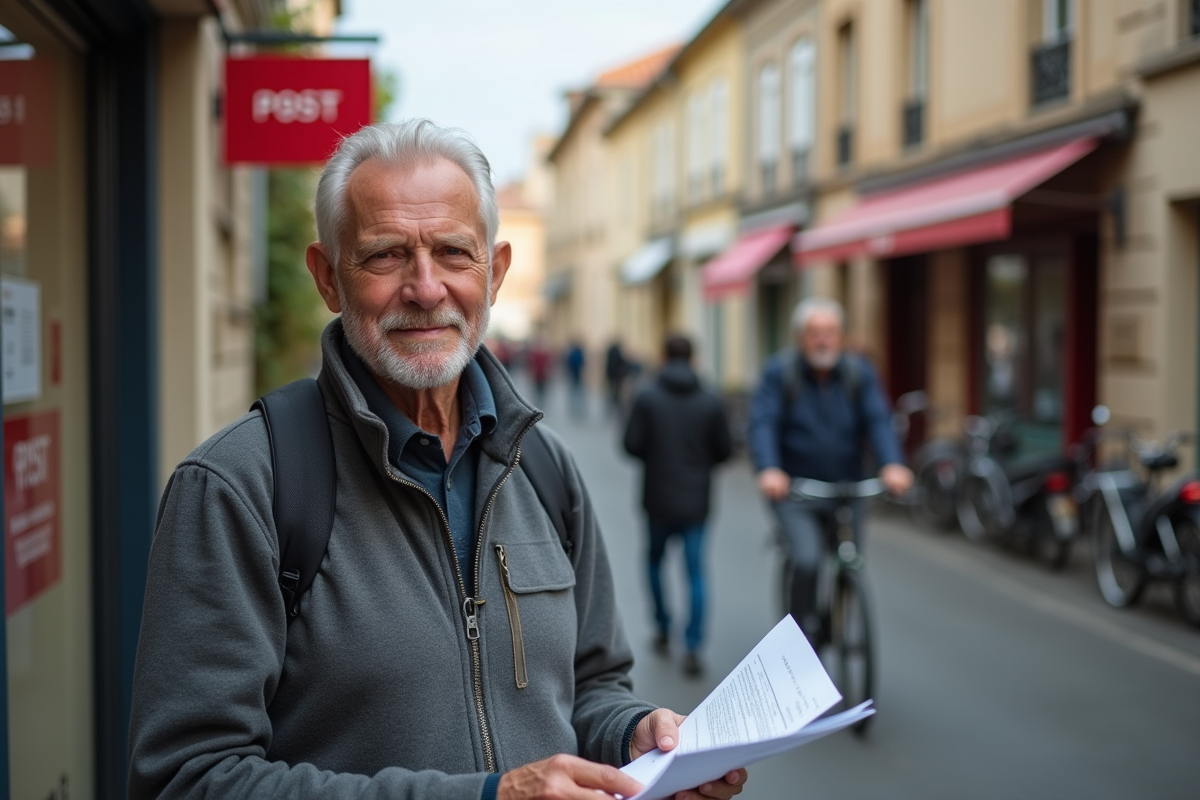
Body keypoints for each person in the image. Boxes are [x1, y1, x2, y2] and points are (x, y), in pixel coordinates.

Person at [128, 121, 746, 800]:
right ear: (328, 278)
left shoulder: (543, 467)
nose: (425, 289)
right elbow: (185, 779)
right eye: (386, 256)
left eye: (453, 252)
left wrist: (633, 736)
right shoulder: (240, 486)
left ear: (495, 271)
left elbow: (590, 686)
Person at [747, 297, 913, 647]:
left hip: (848, 487)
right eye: (814, 333)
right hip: (796, 490)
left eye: (830, 332)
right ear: (800, 338)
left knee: (850, 560)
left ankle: (836, 616)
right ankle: (796, 644)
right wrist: (770, 469)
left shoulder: (859, 372)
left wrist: (892, 463)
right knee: (806, 559)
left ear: (841, 337)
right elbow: (764, 422)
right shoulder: (781, 372)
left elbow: (878, 420)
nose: (822, 340)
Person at [623, 335, 731, 677]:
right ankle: (694, 644)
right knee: (696, 570)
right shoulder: (711, 400)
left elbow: (630, 444)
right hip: (696, 500)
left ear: (664, 356)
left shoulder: (647, 396)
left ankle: (662, 626)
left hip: (657, 497)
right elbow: (725, 451)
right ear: (693, 357)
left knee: (654, 561)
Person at [604, 339, 630, 416]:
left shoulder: (610, 352)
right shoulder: (617, 353)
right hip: (616, 375)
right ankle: (614, 403)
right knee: (616, 391)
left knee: (611, 390)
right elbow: (621, 362)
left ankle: (611, 404)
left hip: (611, 374)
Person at [564, 338, 587, 419]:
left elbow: (568, 363)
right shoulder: (580, 353)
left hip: (574, 374)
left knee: (574, 392)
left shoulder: (572, 353)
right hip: (578, 374)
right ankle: (577, 408)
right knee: (578, 392)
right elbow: (583, 363)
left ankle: (574, 408)